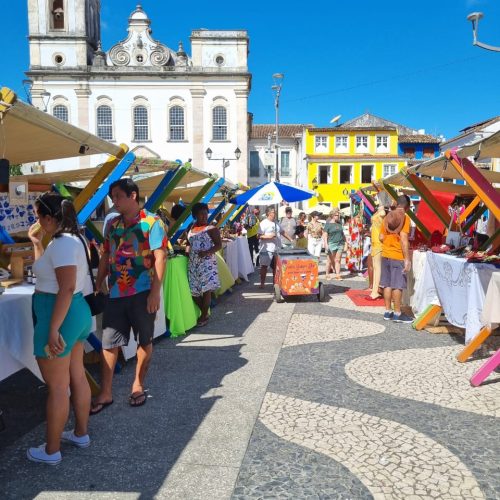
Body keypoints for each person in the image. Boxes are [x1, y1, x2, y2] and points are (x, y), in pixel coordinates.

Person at [27, 193, 93, 465]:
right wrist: (36, 242)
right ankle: (80, 433)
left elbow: (65, 287)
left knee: (57, 387)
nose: (36, 221)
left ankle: (51, 450)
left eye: (38, 215)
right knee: (76, 376)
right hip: (73, 313)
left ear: (49, 218)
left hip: (60, 314)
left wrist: (53, 329)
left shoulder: (63, 243)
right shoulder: (68, 240)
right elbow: (52, 273)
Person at [92, 179, 167, 413]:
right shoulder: (113, 224)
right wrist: (98, 280)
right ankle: (106, 392)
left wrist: (155, 292)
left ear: (132, 195)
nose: (114, 201)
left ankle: (138, 385)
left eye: (117, 196)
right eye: (112, 196)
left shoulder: (152, 222)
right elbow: (106, 254)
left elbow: (160, 257)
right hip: (116, 293)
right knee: (109, 343)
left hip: (142, 292)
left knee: (144, 341)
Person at [186, 202, 222, 326]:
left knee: (206, 290)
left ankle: (203, 316)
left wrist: (207, 252)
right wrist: (187, 251)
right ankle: (205, 312)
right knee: (193, 291)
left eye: (206, 214)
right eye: (201, 214)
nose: (204, 217)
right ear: (195, 215)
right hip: (192, 263)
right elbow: (188, 243)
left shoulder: (211, 229)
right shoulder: (190, 228)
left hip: (207, 263)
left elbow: (219, 245)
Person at [379, 195, 413, 323]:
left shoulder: (388, 217)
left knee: (387, 284)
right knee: (397, 285)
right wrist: (407, 259)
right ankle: (398, 313)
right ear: (407, 207)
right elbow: (404, 239)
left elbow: (381, 237)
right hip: (397, 255)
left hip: (385, 254)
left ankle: (388, 311)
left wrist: (389, 240)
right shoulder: (405, 218)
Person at [257, 206, 289, 288]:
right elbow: (258, 236)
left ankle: (275, 283)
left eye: (275, 212)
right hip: (266, 249)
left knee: (276, 267)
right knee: (264, 266)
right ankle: (262, 283)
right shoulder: (263, 223)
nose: (275, 213)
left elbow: (282, 232)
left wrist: (291, 239)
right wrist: (269, 236)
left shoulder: (276, 222)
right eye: (273, 212)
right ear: (268, 213)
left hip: (277, 248)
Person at [365, 206, 386, 300]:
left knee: (377, 268)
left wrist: (381, 208)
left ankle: (375, 291)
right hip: (374, 242)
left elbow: (382, 213)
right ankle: (374, 289)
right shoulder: (379, 213)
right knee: (375, 267)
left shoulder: (382, 213)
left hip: (378, 243)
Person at [322, 208, 345, 280]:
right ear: (332, 216)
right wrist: (326, 244)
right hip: (331, 243)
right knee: (329, 260)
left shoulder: (339, 223)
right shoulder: (328, 225)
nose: (338, 216)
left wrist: (346, 242)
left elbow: (342, 234)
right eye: (336, 215)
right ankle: (327, 274)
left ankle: (338, 275)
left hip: (340, 243)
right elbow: (325, 235)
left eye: (338, 215)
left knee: (338, 260)